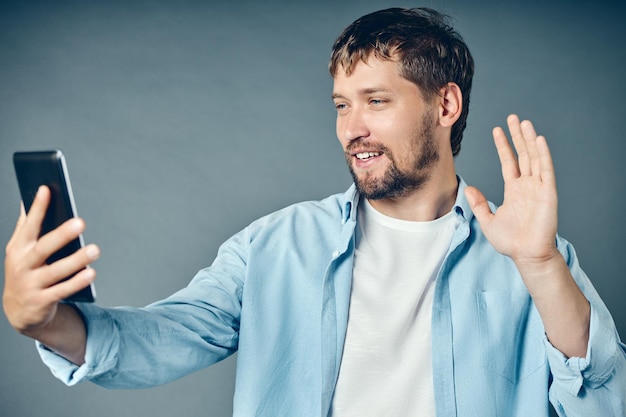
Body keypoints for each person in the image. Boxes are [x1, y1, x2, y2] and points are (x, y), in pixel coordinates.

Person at [3, 7, 625, 417]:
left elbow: (604, 395)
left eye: (376, 101)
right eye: (340, 106)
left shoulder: (532, 257)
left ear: (446, 105)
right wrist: (45, 321)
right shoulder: (273, 247)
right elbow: (153, 343)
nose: (352, 129)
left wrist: (540, 263)